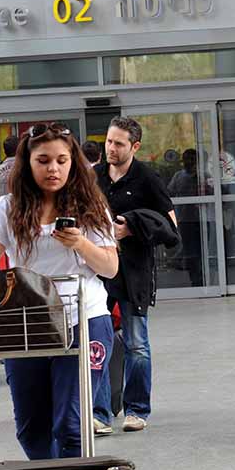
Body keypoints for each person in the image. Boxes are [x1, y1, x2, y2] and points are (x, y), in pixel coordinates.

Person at [0, 122, 118, 459]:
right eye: (43, 160)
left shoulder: (91, 205)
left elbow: (110, 267)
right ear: (28, 163)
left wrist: (80, 243)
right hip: (27, 324)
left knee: (71, 423)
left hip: (84, 320)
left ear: (73, 162)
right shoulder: (8, 207)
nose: (53, 169)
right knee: (30, 427)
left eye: (62, 160)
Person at [93, 116, 176, 434]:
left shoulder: (148, 179)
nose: (111, 148)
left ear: (135, 146)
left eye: (119, 144)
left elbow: (171, 227)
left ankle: (137, 409)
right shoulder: (93, 176)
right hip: (99, 270)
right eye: (109, 141)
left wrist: (133, 226)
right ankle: (100, 413)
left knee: (136, 342)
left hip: (134, 271)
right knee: (96, 344)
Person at [167, 148, 206, 287]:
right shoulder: (179, 176)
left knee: (203, 250)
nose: (188, 163)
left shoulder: (204, 176)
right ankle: (195, 279)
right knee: (190, 252)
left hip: (202, 219)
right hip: (185, 219)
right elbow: (169, 192)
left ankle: (205, 278)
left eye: (192, 160)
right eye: (186, 160)